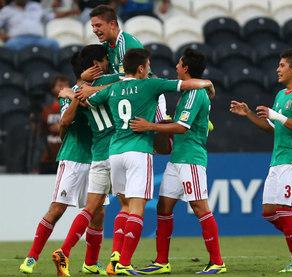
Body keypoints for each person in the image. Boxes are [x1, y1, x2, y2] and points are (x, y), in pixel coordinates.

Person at [78, 48, 216, 275]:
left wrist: (78, 88)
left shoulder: (113, 88)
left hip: (114, 154)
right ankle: (124, 263)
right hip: (139, 152)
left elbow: (87, 98)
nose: (151, 69)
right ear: (141, 68)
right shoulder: (150, 84)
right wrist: (207, 82)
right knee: (137, 209)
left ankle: (120, 257)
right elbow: (184, 86)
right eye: (149, 65)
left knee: (124, 206)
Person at [129, 48, 226, 275]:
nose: (176, 67)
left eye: (179, 64)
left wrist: (150, 126)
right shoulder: (190, 92)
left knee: (200, 206)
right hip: (178, 158)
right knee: (164, 206)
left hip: (190, 157)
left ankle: (217, 262)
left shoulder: (194, 94)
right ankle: (162, 261)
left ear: (186, 68)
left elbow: (182, 128)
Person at [230, 49, 292, 272]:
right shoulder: (281, 95)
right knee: (269, 211)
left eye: (282, 65)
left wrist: (277, 116)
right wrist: (249, 114)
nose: (277, 69)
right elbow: (273, 127)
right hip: (277, 160)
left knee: (284, 209)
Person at [18, 48, 97, 275]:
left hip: (97, 157)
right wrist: (76, 96)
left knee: (98, 212)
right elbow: (65, 121)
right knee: (57, 208)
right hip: (73, 158)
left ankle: (90, 264)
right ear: (86, 70)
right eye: (96, 65)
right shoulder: (70, 92)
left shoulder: (94, 91)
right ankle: (31, 258)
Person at [51, 44, 122, 277]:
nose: (108, 63)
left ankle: (65, 251)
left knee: (92, 209)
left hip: (98, 154)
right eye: (104, 60)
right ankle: (117, 261)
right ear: (96, 65)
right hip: (116, 150)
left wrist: (74, 89)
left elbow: (71, 101)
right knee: (129, 207)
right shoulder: (112, 79)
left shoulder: (77, 90)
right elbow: (131, 81)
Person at [0, 0, 74, 51]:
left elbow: (51, 16)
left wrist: (70, 12)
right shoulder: (6, 10)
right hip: (18, 40)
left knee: (53, 44)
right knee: (9, 46)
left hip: (38, 39)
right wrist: (2, 36)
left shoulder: (36, 6)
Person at [39, 75, 70, 174]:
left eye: (66, 85)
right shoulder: (46, 110)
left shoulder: (73, 108)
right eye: (60, 85)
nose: (63, 88)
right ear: (53, 88)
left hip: (67, 155)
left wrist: (61, 127)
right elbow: (40, 131)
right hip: (49, 155)